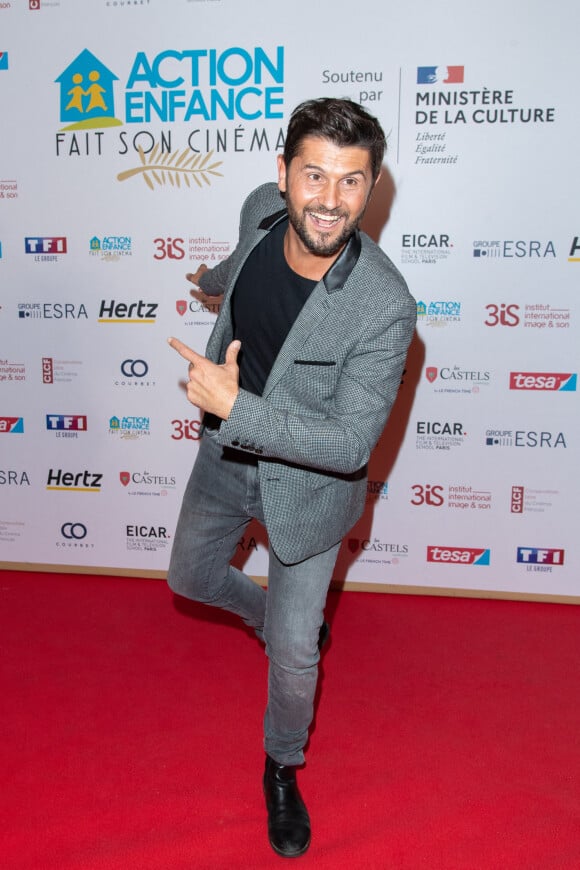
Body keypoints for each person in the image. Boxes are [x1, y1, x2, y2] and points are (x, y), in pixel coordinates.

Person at [167, 97, 416, 858]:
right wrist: (208, 281)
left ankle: (282, 765)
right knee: (189, 580)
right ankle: (266, 618)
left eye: (351, 182)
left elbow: (347, 445)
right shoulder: (258, 211)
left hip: (310, 491)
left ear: (370, 189)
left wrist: (235, 405)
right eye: (314, 175)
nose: (330, 200)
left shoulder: (386, 308)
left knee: (297, 653)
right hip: (223, 461)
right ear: (282, 176)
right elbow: (240, 258)